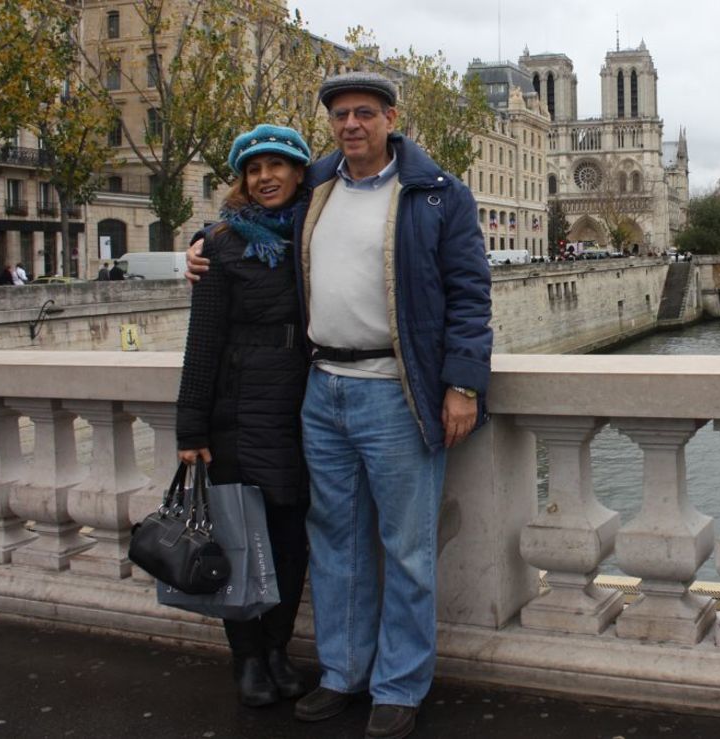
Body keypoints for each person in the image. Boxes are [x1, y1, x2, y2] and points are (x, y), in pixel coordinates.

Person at [188, 72, 492, 739]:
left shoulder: (438, 195)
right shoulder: (317, 187)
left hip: (396, 389)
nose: (350, 125)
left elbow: (470, 294)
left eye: (363, 113)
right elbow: (253, 213)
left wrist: (463, 383)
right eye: (339, 116)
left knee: (406, 548)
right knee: (336, 545)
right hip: (321, 390)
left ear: (390, 117)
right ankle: (342, 671)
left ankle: (399, 684)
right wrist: (203, 244)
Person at [175, 124, 314, 709]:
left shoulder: (315, 234)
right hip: (236, 411)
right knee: (238, 543)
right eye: (254, 170)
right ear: (242, 179)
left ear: (300, 173)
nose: (265, 178)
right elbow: (202, 340)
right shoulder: (220, 243)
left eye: (277, 166)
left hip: (300, 409)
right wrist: (191, 427)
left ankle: (278, 649)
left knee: (288, 544)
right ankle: (248, 659)